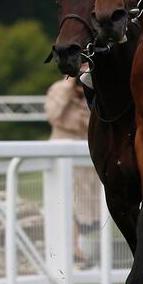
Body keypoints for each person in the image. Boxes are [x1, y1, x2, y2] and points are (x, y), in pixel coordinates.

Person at [45, 76, 98, 266]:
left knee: (85, 208)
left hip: (86, 157)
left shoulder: (91, 90)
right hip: (63, 155)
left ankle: (78, 250)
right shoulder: (59, 89)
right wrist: (68, 86)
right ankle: (71, 249)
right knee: (68, 203)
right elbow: (53, 114)